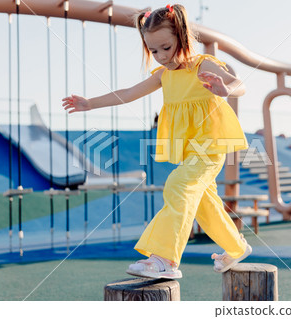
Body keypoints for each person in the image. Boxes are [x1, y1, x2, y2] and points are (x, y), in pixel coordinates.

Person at [62, 4, 251, 279]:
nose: (161, 56)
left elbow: (239, 83)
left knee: (178, 185)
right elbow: (128, 93)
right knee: (203, 203)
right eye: (153, 51)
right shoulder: (164, 75)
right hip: (190, 152)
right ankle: (236, 247)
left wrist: (225, 89)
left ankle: (165, 259)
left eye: (166, 47)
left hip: (210, 147)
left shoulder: (203, 65)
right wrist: (90, 103)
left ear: (183, 38)